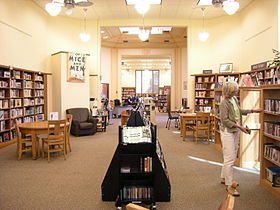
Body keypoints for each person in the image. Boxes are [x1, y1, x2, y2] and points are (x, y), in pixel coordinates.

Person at [219, 81, 261, 196]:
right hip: (228, 131)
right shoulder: (224, 103)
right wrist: (239, 126)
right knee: (230, 158)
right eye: (235, 90)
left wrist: (252, 111)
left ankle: (223, 177)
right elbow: (224, 120)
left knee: (230, 155)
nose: (237, 91)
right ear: (230, 91)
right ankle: (229, 185)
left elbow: (239, 111)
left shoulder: (234, 99)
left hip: (236, 130)